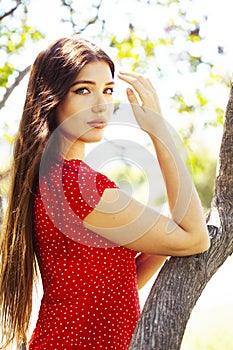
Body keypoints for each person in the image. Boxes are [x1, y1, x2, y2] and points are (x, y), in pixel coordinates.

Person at [0, 35, 210, 350]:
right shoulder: (75, 184)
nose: (101, 105)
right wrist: (157, 129)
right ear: (52, 98)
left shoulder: (52, 178)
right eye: (83, 90)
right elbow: (196, 238)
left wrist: (163, 237)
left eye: (108, 90)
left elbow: (112, 284)